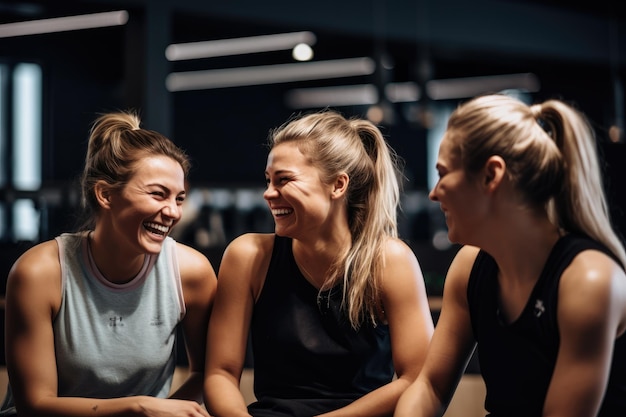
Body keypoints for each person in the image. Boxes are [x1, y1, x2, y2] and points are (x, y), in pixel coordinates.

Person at [394, 93, 626, 417]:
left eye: (443, 173)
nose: (434, 193)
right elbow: (430, 387)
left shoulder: (589, 280)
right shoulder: (469, 266)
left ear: (491, 175)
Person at [203, 109, 434, 417]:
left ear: (338, 185)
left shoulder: (389, 261)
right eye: (268, 180)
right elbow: (220, 372)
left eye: (284, 180)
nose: (268, 193)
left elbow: (418, 378)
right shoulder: (248, 256)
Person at [1, 111, 217, 417]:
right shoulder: (38, 272)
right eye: (158, 194)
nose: (173, 212)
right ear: (105, 194)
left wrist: (166, 411)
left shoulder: (191, 272)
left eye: (179, 198)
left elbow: (208, 373)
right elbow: (35, 404)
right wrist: (140, 408)